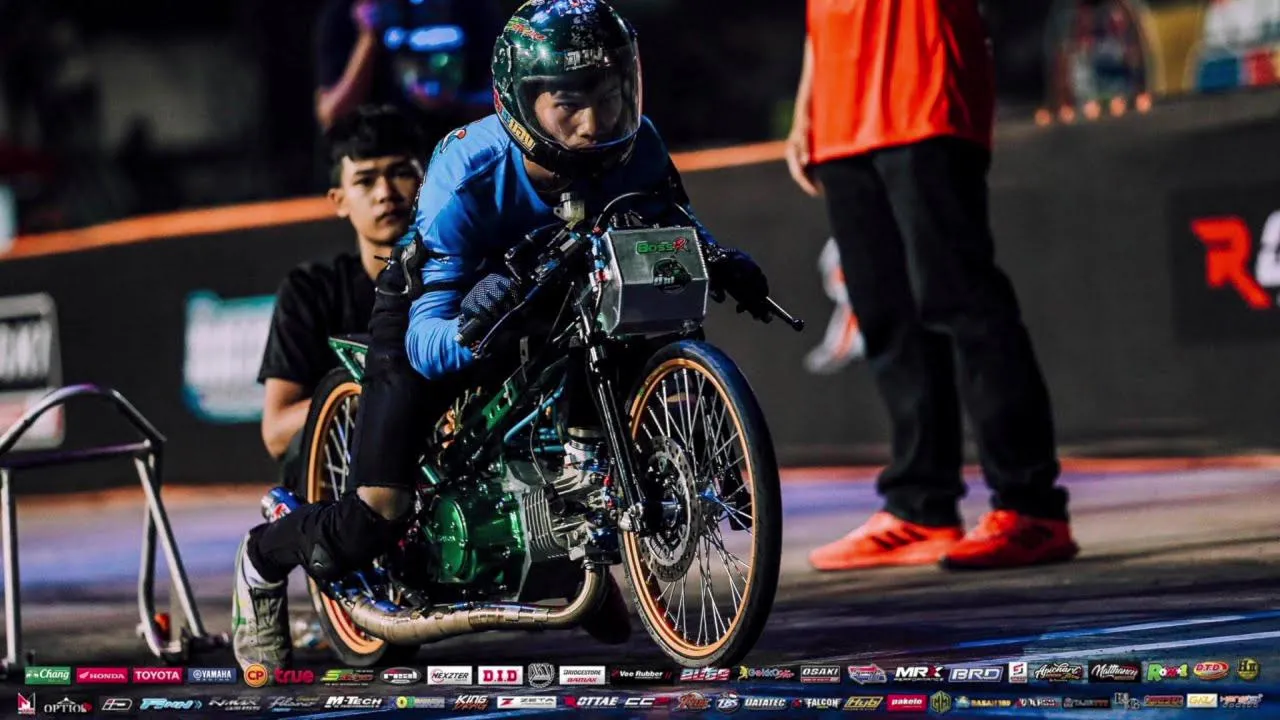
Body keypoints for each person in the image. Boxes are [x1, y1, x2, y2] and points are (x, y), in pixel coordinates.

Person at [232, 0, 770, 672]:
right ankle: (263, 557)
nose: (594, 122)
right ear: (520, 102)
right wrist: (475, 327)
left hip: (559, 297)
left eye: (609, 94)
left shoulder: (640, 146)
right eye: (567, 103)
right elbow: (425, 343)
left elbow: (671, 224)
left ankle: (578, 523)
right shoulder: (466, 172)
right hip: (437, 311)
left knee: (633, 323)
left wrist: (719, 257)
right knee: (379, 513)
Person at [792, 0, 1079, 571]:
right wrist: (808, 104)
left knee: (962, 300)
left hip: (923, 83)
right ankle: (920, 506)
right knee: (886, 316)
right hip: (841, 105)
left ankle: (1030, 506)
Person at [257, 105, 425, 490]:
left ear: (426, 182)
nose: (385, 194)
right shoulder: (310, 291)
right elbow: (277, 433)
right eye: (365, 180)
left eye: (401, 173)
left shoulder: (462, 276)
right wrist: (379, 393)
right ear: (339, 200)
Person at [314, 0, 503, 145]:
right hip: (382, 156)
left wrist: (454, 102)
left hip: (457, 155)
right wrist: (368, 38)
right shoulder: (349, 12)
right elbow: (332, 114)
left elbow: (506, 105)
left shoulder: (473, 8)